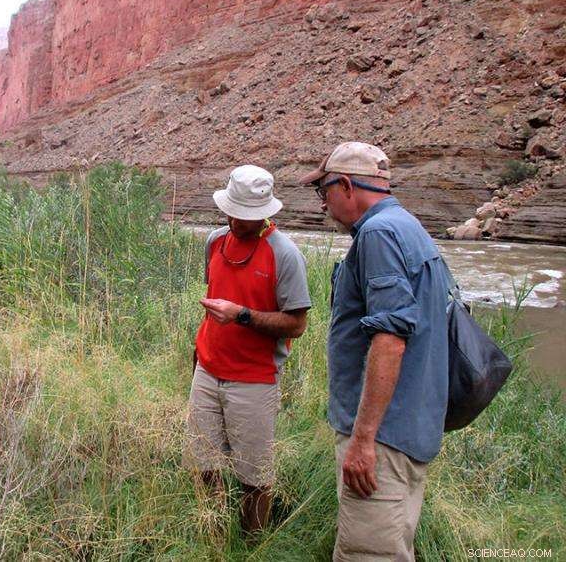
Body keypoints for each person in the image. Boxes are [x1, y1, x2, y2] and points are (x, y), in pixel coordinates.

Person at [300, 142, 450, 561]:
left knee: (368, 552)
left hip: (383, 440)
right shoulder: (406, 225)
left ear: (346, 185)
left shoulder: (379, 234)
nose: (323, 204)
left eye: (323, 191)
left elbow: (390, 339)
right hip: (406, 429)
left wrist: (363, 440)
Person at [184, 164, 312, 536]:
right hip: (207, 372)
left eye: (246, 216)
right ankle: (214, 537)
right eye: (233, 213)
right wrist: (198, 361)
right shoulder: (214, 242)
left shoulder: (285, 255)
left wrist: (241, 316)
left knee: (254, 476)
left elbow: (297, 325)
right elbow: (213, 304)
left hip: (255, 381)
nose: (237, 221)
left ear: (266, 214)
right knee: (203, 464)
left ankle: (253, 544)